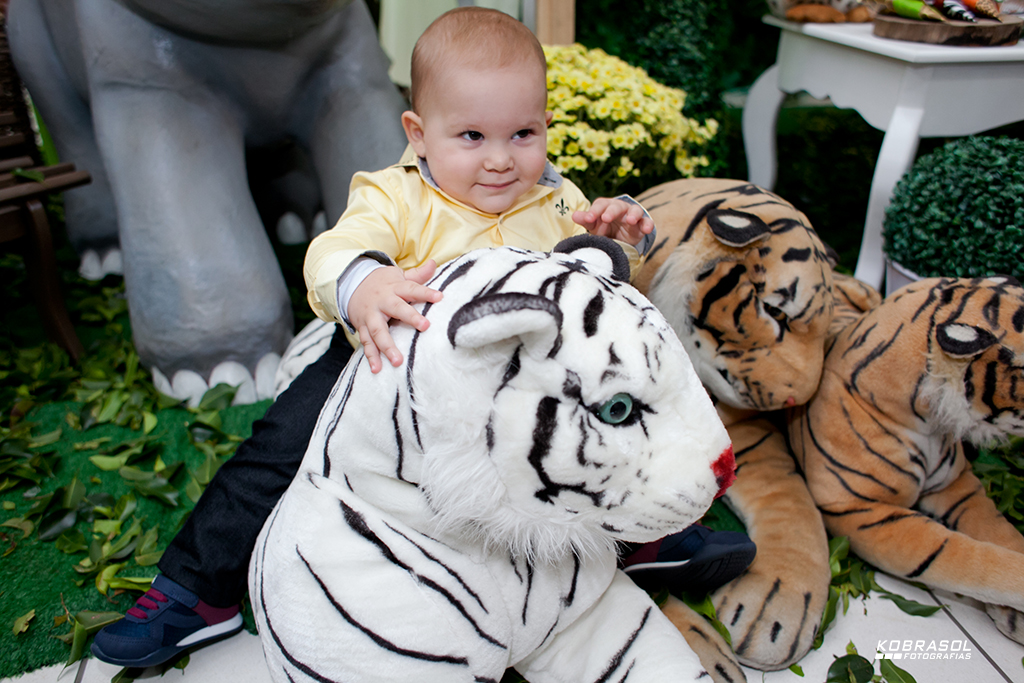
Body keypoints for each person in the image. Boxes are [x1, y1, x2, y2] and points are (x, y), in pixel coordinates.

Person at [91, 7, 753, 669]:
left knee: (588, 433)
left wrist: (613, 238)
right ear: (419, 132)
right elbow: (333, 253)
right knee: (278, 447)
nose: (499, 159)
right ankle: (194, 587)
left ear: (545, 128)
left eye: (522, 133)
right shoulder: (396, 196)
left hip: (510, 395)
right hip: (380, 361)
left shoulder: (553, 199)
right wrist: (366, 284)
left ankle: (642, 539)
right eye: (471, 135)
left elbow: (585, 300)